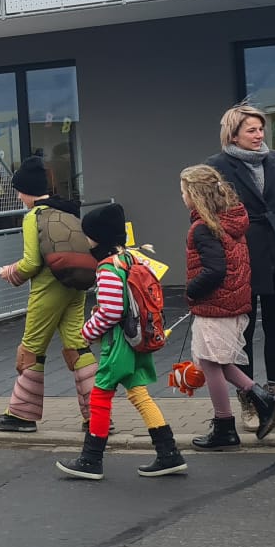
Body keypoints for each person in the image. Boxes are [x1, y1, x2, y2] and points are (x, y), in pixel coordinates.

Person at [57, 203, 188, 480]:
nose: (86, 240)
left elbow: (111, 311)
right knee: (139, 393)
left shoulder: (107, 268)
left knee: (100, 396)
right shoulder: (131, 260)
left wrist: (86, 333)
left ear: (99, 238)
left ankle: (91, 460)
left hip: (119, 344)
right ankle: (169, 453)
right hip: (137, 339)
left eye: (88, 235)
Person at [208, 103, 275, 432]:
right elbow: (209, 212)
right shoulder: (217, 166)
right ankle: (251, 403)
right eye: (251, 130)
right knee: (244, 334)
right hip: (242, 257)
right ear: (233, 133)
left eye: (261, 129)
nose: (259, 135)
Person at [0, 157, 98, 433]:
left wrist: (9, 272)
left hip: (47, 290)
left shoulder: (33, 217)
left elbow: (31, 263)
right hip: (75, 285)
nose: (18, 195)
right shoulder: (68, 213)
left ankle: (22, 415)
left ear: (27, 190)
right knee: (77, 345)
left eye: (19, 190)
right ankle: (97, 415)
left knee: (31, 350)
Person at [179, 166, 275, 449]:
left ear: (196, 195)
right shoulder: (231, 220)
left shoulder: (203, 228)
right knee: (220, 362)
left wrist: (190, 291)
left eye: (184, 192)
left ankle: (224, 426)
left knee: (210, 363)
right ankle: (264, 399)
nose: (183, 197)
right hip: (233, 302)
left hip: (215, 305)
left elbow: (214, 270)